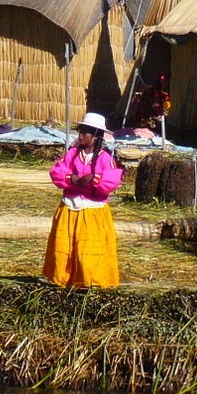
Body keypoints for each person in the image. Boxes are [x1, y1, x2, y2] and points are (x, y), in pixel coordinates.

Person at [42, 112, 123, 288]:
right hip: (69, 210)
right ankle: (63, 280)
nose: (80, 135)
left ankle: (89, 284)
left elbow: (113, 179)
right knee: (64, 248)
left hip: (92, 213)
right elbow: (57, 171)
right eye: (80, 131)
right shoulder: (72, 154)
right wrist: (71, 178)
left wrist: (94, 179)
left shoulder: (105, 158)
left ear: (96, 136)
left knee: (88, 252)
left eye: (85, 132)